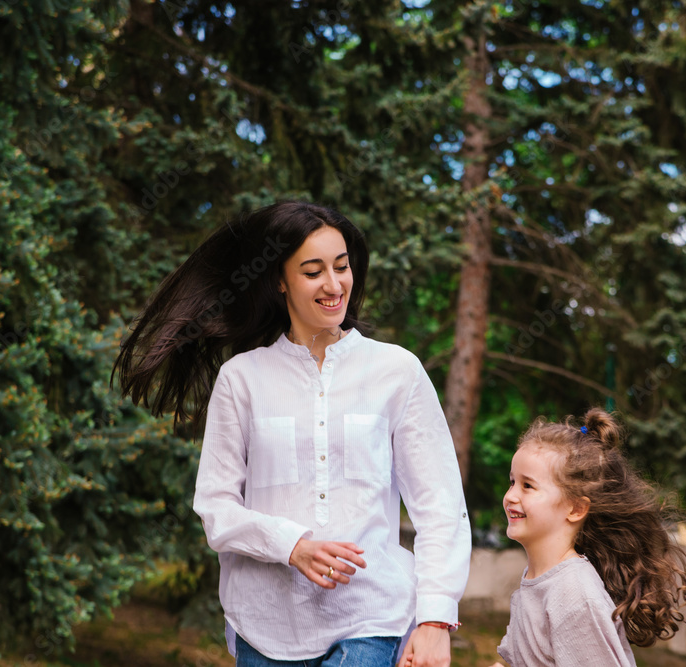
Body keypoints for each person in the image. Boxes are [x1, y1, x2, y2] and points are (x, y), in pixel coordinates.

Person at [114, 200, 470, 667]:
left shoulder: (397, 371)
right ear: (279, 281)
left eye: (342, 267)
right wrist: (292, 545)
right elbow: (216, 508)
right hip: (264, 624)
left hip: (371, 615)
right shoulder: (242, 379)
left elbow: (441, 505)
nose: (334, 284)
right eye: (312, 271)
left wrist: (435, 620)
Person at [490, 408, 686, 667]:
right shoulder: (539, 578)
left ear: (575, 509)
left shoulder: (574, 593)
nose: (511, 496)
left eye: (527, 486)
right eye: (512, 482)